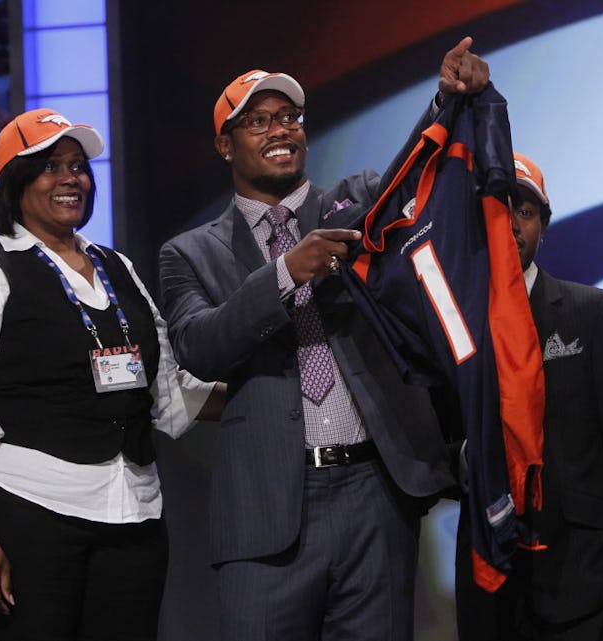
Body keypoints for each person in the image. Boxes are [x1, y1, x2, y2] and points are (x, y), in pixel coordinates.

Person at [157, 37, 490, 640]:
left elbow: (410, 174)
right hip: (264, 507)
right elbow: (199, 348)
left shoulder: (352, 201)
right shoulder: (189, 253)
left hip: (373, 494)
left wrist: (444, 101)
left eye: (289, 116)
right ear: (225, 145)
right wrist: (285, 273)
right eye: (258, 121)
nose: (279, 130)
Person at [0, 108, 223, 640]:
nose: (71, 178)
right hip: (31, 507)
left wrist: (270, 392)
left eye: (78, 166)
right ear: (15, 181)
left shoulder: (119, 267)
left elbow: (168, 394)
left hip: (135, 512)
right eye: (51, 166)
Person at [454, 152, 603, 641]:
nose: (512, 224)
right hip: (489, 581)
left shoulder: (595, 312)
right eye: (498, 209)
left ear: (543, 226)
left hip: (582, 577)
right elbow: (433, 435)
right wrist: (469, 455)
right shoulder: (453, 326)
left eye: (524, 211)